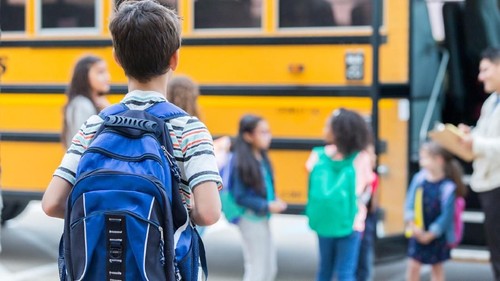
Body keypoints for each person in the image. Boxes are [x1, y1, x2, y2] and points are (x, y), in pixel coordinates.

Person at [42, 0, 221, 233]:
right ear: (174, 59)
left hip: (99, 267)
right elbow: (209, 213)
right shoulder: (190, 129)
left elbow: (51, 203)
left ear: (117, 59)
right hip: (167, 268)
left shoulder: (95, 125)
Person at [306, 108, 373, 281]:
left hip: (323, 220)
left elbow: (309, 174)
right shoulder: (361, 158)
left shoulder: (317, 155)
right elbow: (364, 187)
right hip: (351, 222)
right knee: (345, 271)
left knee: (324, 270)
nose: (324, 130)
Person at [459, 47, 500, 281]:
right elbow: (487, 135)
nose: (480, 77)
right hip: (489, 184)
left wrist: (475, 142)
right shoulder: (491, 102)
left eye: (485, 69)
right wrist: (469, 135)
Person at [230, 114, 287, 281]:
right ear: (248, 136)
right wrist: (267, 205)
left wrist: (273, 200)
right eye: (262, 132)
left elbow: (266, 185)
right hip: (250, 219)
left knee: (269, 268)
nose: (268, 136)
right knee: (257, 269)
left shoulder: (261, 157)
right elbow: (240, 196)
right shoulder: (241, 161)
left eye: (268, 131)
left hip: (261, 218)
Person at [404, 141, 466, 281]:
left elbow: (446, 216)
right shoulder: (419, 179)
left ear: (438, 160)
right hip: (418, 230)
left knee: (436, 267)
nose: (421, 162)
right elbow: (409, 204)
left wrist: (431, 234)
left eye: (424, 158)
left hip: (436, 235)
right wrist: (413, 226)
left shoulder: (448, 187)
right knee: (413, 266)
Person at [62, 55, 110, 148]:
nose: (107, 77)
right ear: (84, 76)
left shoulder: (93, 102)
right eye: (100, 72)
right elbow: (86, 144)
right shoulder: (82, 104)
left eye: (106, 71)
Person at [357, 143, 379, 281]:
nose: (374, 157)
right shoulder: (368, 178)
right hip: (360, 225)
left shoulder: (373, 178)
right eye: (370, 154)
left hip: (364, 225)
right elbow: (373, 206)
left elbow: (373, 206)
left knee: (361, 261)